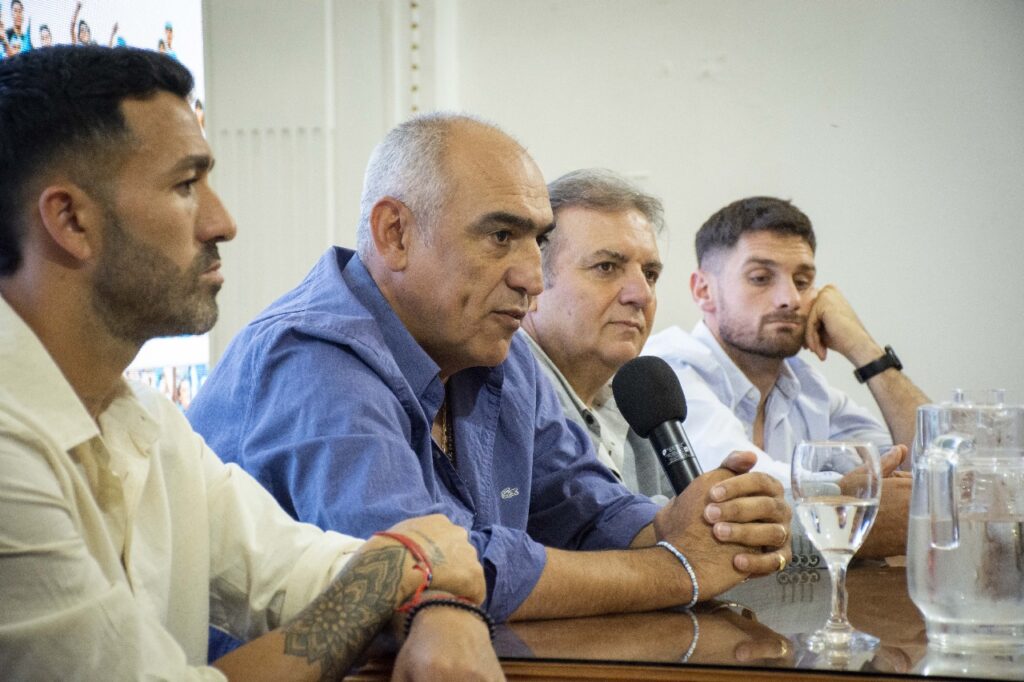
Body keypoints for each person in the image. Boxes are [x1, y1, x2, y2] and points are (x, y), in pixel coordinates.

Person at [0, 46, 500, 680]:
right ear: (71, 220)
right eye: (186, 184)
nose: (223, 221)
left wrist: (431, 595)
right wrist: (408, 565)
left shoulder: (146, 422)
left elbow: (305, 570)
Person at [188, 113, 792, 626]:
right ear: (394, 233)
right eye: (501, 235)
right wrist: (675, 569)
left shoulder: (495, 351)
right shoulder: (312, 356)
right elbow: (427, 575)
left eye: (537, 240)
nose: (533, 276)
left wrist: (684, 523)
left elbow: (586, 511)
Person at [644, 196, 929, 558]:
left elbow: (934, 469)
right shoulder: (670, 368)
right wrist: (850, 494)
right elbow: (744, 490)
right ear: (704, 290)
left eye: (803, 280)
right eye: (761, 278)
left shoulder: (807, 386)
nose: (790, 299)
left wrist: (865, 351)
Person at [520, 168, 673, 501]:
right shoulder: (505, 393)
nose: (641, 294)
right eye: (606, 267)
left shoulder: (639, 404)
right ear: (533, 285)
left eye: (650, 274)